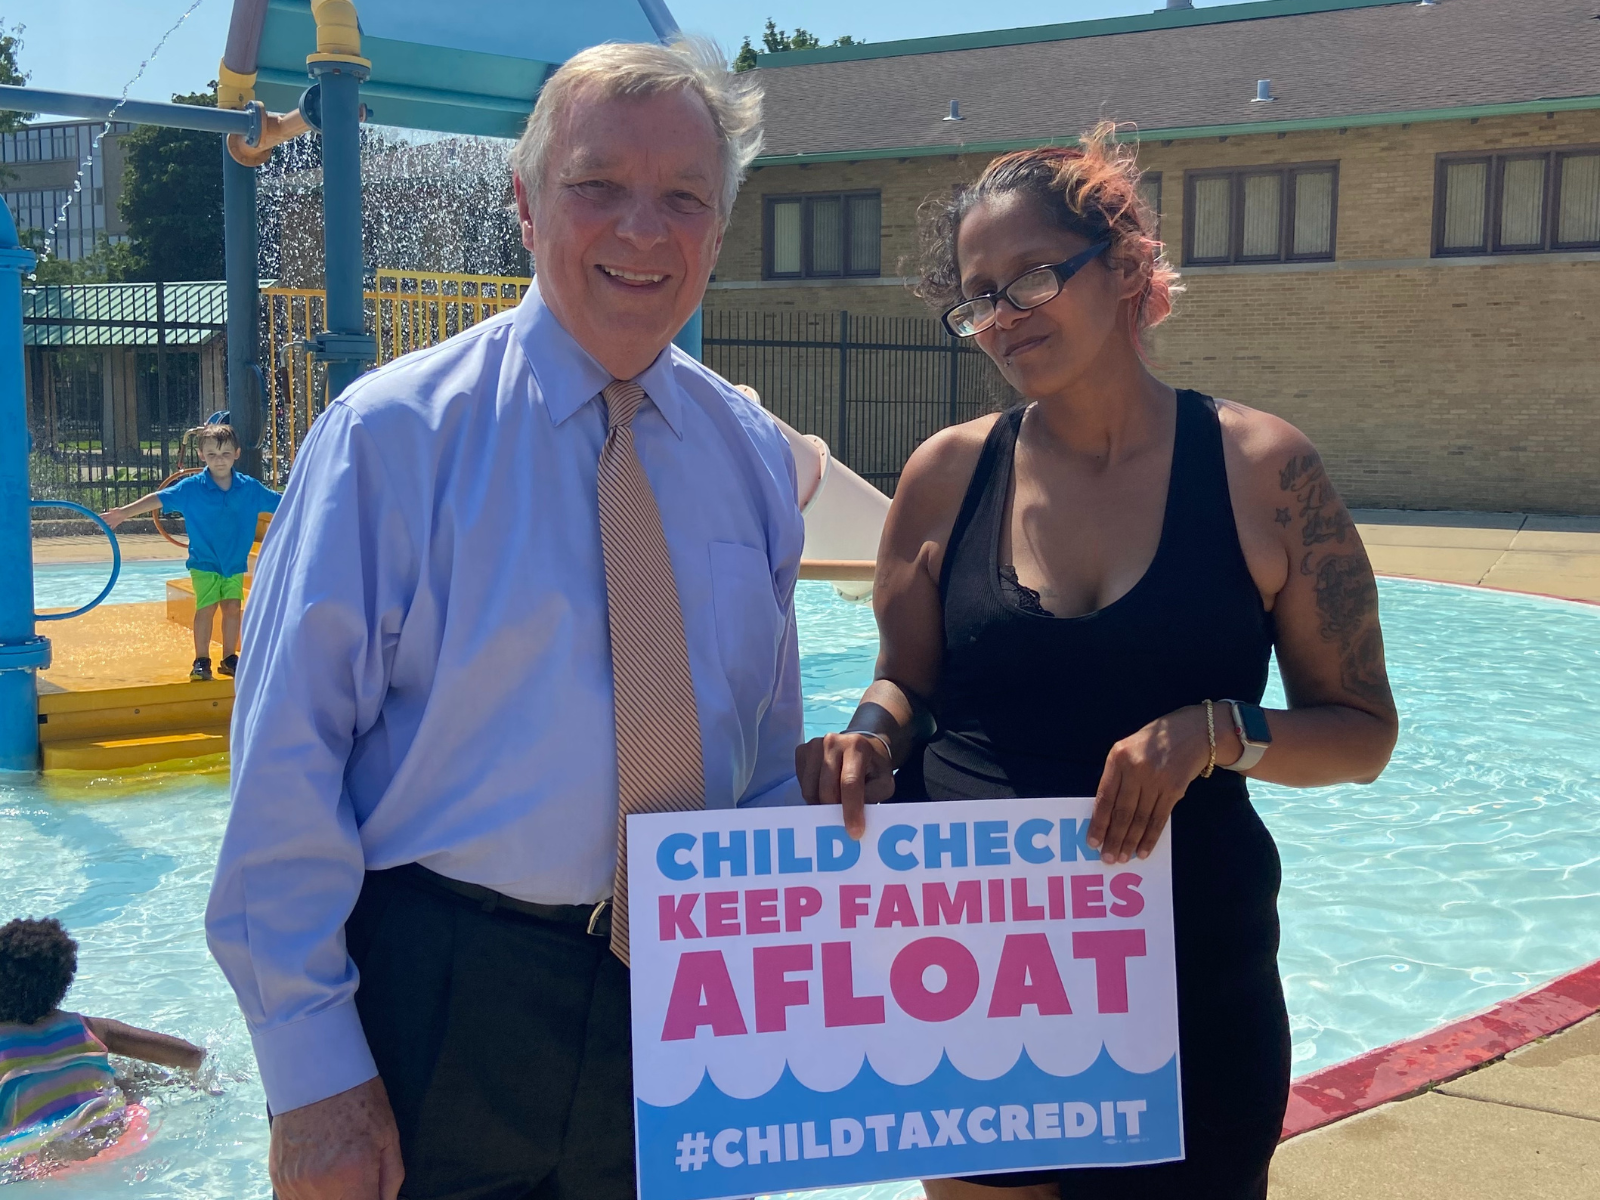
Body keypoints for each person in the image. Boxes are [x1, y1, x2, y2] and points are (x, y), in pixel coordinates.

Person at [206, 37, 802, 1200]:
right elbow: (284, 765)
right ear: (524, 204)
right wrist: (313, 1077)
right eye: (598, 185)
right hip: (440, 1000)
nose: (643, 229)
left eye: (684, 197)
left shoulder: (752, 457)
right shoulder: (391, 440)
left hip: (690, 1003)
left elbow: (762, 759)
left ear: (719, 231)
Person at [797, 126, 1400, 1200]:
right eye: (978, 297)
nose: (1000, 318)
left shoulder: (1262, 472)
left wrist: (1215, 731)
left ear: (1125, 267)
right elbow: (907, 683)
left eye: (1030, 276)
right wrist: (867, 739)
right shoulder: (946, 476)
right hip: (975, 966)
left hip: (1188, 973)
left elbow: (1360, 732)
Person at [1, 917, 205, 1161]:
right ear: (64, 982)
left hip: (31, 1161)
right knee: (124, 1076)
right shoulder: (92, 1028)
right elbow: (190, 1056)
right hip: (116, 1138)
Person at [102, 423, 281, 681]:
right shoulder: (191, 488)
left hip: (233, 562)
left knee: (232, 608)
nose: (219, 461)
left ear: (237, 453)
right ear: (201, 456)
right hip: (204, 561)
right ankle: (202, 659)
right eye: (212, 455)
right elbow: (158, 498)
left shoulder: (249, 489)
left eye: (225, 454)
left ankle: (230, 658)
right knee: (206, 608)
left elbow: (282, 501)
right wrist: (123, 513)